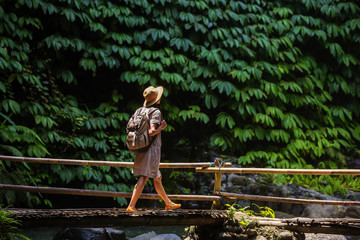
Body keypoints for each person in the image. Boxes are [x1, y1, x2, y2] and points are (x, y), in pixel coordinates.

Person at [126, 86, 181, 211]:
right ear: (156, 99)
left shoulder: (139, 110)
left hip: (140, 146)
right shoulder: (155, 112)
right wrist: (161, 127)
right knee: (144, 177)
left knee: (157, 177)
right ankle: (131, 206)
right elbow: (151, 132)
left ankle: (168, 203)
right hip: (151, 149)